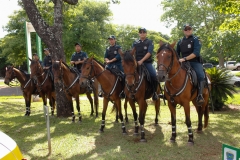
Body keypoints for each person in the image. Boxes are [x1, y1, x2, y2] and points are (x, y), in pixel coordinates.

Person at [177, 24, 205, 105]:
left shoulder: (196, 39)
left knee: (200, 75)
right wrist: (178, 60)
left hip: (194, 62)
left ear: (192, 30)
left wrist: (184, 59)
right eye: (186, 29)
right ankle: (168, 93)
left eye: (189, 29)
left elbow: (196, 53)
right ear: (183, 31)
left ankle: (200, 95)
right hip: (183, 63)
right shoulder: (180, 41)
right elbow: (177, 53)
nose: (187, 30)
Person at [132, 28, 159, 100]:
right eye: (140, 32)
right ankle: (126, 92)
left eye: (144, 32)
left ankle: (154, 93)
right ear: (139, 34)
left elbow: (149, 53)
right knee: (127, 74)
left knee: (154, 75)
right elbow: (133, 52)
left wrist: (141, 60)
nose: (142, 33)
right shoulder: (135, 42)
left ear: (146, 33)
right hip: (136, 63)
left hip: (147, 63)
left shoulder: (149, 42)